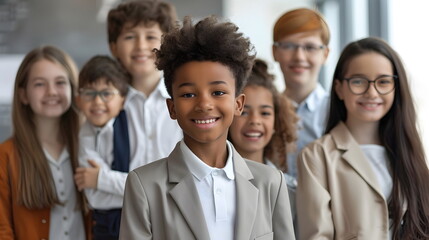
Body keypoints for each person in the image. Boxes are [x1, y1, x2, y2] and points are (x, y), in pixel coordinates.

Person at [119, 16, 295, 240]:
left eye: (218, 92)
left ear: (238, 104)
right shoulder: (144, 185)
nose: (204, 104)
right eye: (188, 94)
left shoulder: (271, 182)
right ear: (172, 107)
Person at [297, 37, 429, 239]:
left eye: (383, 82)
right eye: (358, 81)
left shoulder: (410, 152)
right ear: (339, 88)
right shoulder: (316, 156)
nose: (372, 92)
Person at [0, 46, 92, 239]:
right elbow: (2, 229)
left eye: (60, 82)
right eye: (40, 84)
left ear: (73, 89)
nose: (51, 92)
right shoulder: (5, 156)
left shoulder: (90, 147)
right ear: (23, 94)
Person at [106, 0, 182, 168]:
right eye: (130, 37)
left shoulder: (184, 98)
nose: (141, 46)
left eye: (151, 37)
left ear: (167, 44)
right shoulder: (106, 103)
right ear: (114, 47)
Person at [228, 58, 299, 234]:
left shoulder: (291, 191)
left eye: (265, 113)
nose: (255, 121)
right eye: (244, 112)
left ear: (277, 121)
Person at [74, 55, 130, 239]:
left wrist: (100, 179)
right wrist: (130, 191)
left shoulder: (133, 127)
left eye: (106, 93)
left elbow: (148, 189)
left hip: (140, 223)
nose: (97, 101)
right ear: (79, 100)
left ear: (122, 99)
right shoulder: (85, 135)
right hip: (105, 227)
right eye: (89, 93)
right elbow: (95, 198)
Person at [272, 8, 330, 179]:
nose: (299, 56)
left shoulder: (338, 111)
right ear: (275, 52)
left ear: (325, 54)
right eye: (289, 46)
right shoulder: (264, 111)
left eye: (310, 47)